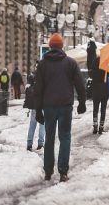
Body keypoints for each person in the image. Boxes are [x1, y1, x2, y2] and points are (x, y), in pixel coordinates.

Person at [33, 33, 86, 182]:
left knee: (49, 138)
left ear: (50, 46)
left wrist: (38, 110)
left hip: (48, 106)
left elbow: (38, 89)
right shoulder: (71, 63)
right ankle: (63, 171)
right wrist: (82, 102)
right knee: (65, 136)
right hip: (65, 106)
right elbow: (80, 85)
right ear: (62, 46)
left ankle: (48, 171)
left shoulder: (42, 65)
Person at [23, 74, 45, 151]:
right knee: (42, 125)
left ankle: (29, 144)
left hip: (34, 108)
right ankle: (40, 143)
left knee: (32, 126)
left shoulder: (30, 85)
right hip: (42, 107)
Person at [89, 58, 109, 134]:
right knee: (103, 109)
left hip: (96, 90)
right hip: (104, 89)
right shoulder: (106, 68)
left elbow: (90, 74)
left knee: (95, 109)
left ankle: (95, 126)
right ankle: (101, 127)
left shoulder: (93, 71)